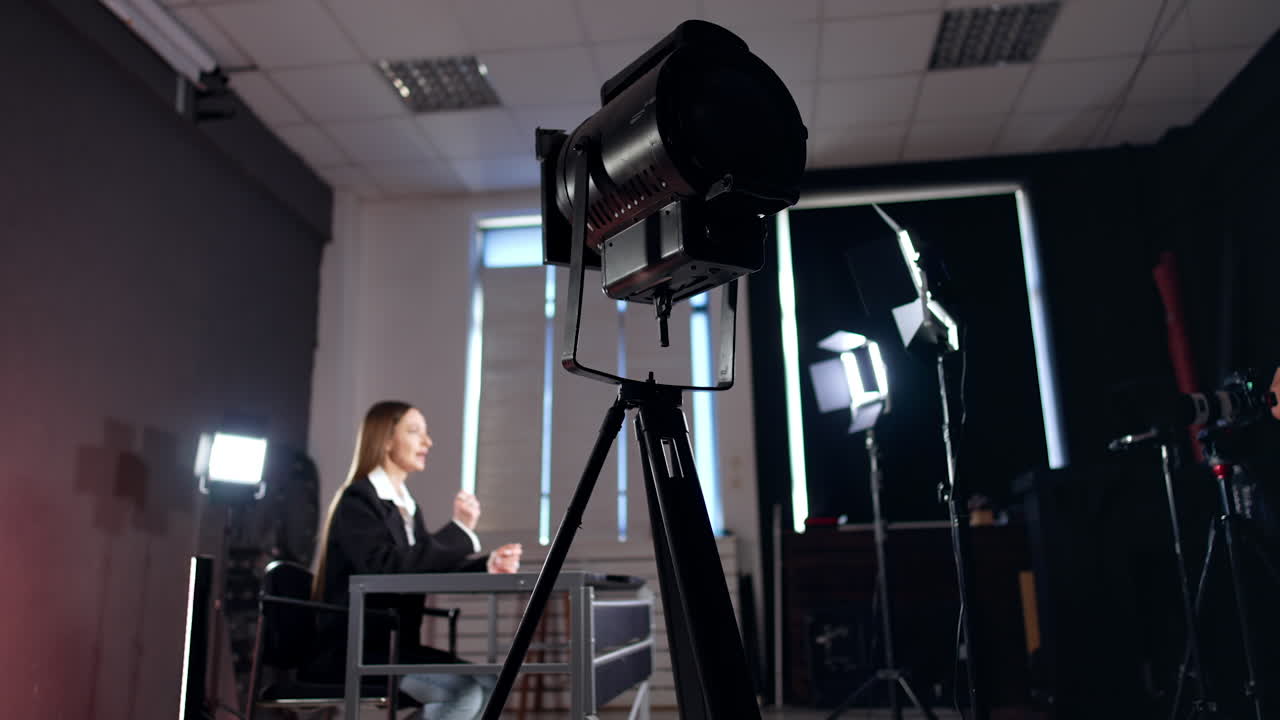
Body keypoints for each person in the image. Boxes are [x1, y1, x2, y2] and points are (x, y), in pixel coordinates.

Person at [310, 400, 522, 720]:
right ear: (384, 440)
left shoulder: (407, 507)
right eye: (414, 432)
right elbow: (385, 567)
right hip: (354, 649)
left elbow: (423, 565)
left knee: (493, 683)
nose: (428, 442)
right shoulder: (358, 500)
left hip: (396, 646)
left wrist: (487, 565)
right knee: (462, 694)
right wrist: (459, 531)